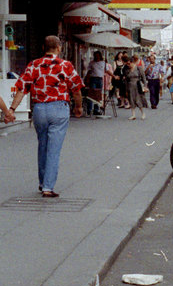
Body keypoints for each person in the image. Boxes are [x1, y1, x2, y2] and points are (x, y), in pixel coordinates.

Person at [5, 35, 85, 197]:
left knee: (43, 146)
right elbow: (76, 89)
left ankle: (42, 182)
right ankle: (48, 187)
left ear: (44, 48)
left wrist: (12, 109)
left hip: (40, 109)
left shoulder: (34, 65)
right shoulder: (66, 66)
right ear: (59, 47)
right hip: (59, 108)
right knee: (54, 149)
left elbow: (21, 88)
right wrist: (78, 107)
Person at [126, 54, 147, 120]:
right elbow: (126, 79)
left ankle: (143, 113)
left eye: (129, 63)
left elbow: (143, 77)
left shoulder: (138, 68)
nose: (128, 65)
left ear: (132, 62)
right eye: (127, 64)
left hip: (137, 85)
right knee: (131, 99)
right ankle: (133, 114)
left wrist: (145, 86)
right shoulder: (127, 70)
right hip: (130, 86)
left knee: (138, 99)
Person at [85, 51, 106, 116]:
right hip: (93, 79)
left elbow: (107, 70)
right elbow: (89, 71)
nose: (97, 57)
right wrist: (87, 79)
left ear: (100, 56)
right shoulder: (92, 63)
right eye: (95, 55)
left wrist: (113, 76)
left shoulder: (103, 63)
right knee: (91, 95)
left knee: (98, 95)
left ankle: (96, 109)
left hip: (100, 79)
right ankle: (89, 109)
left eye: (98, 55)